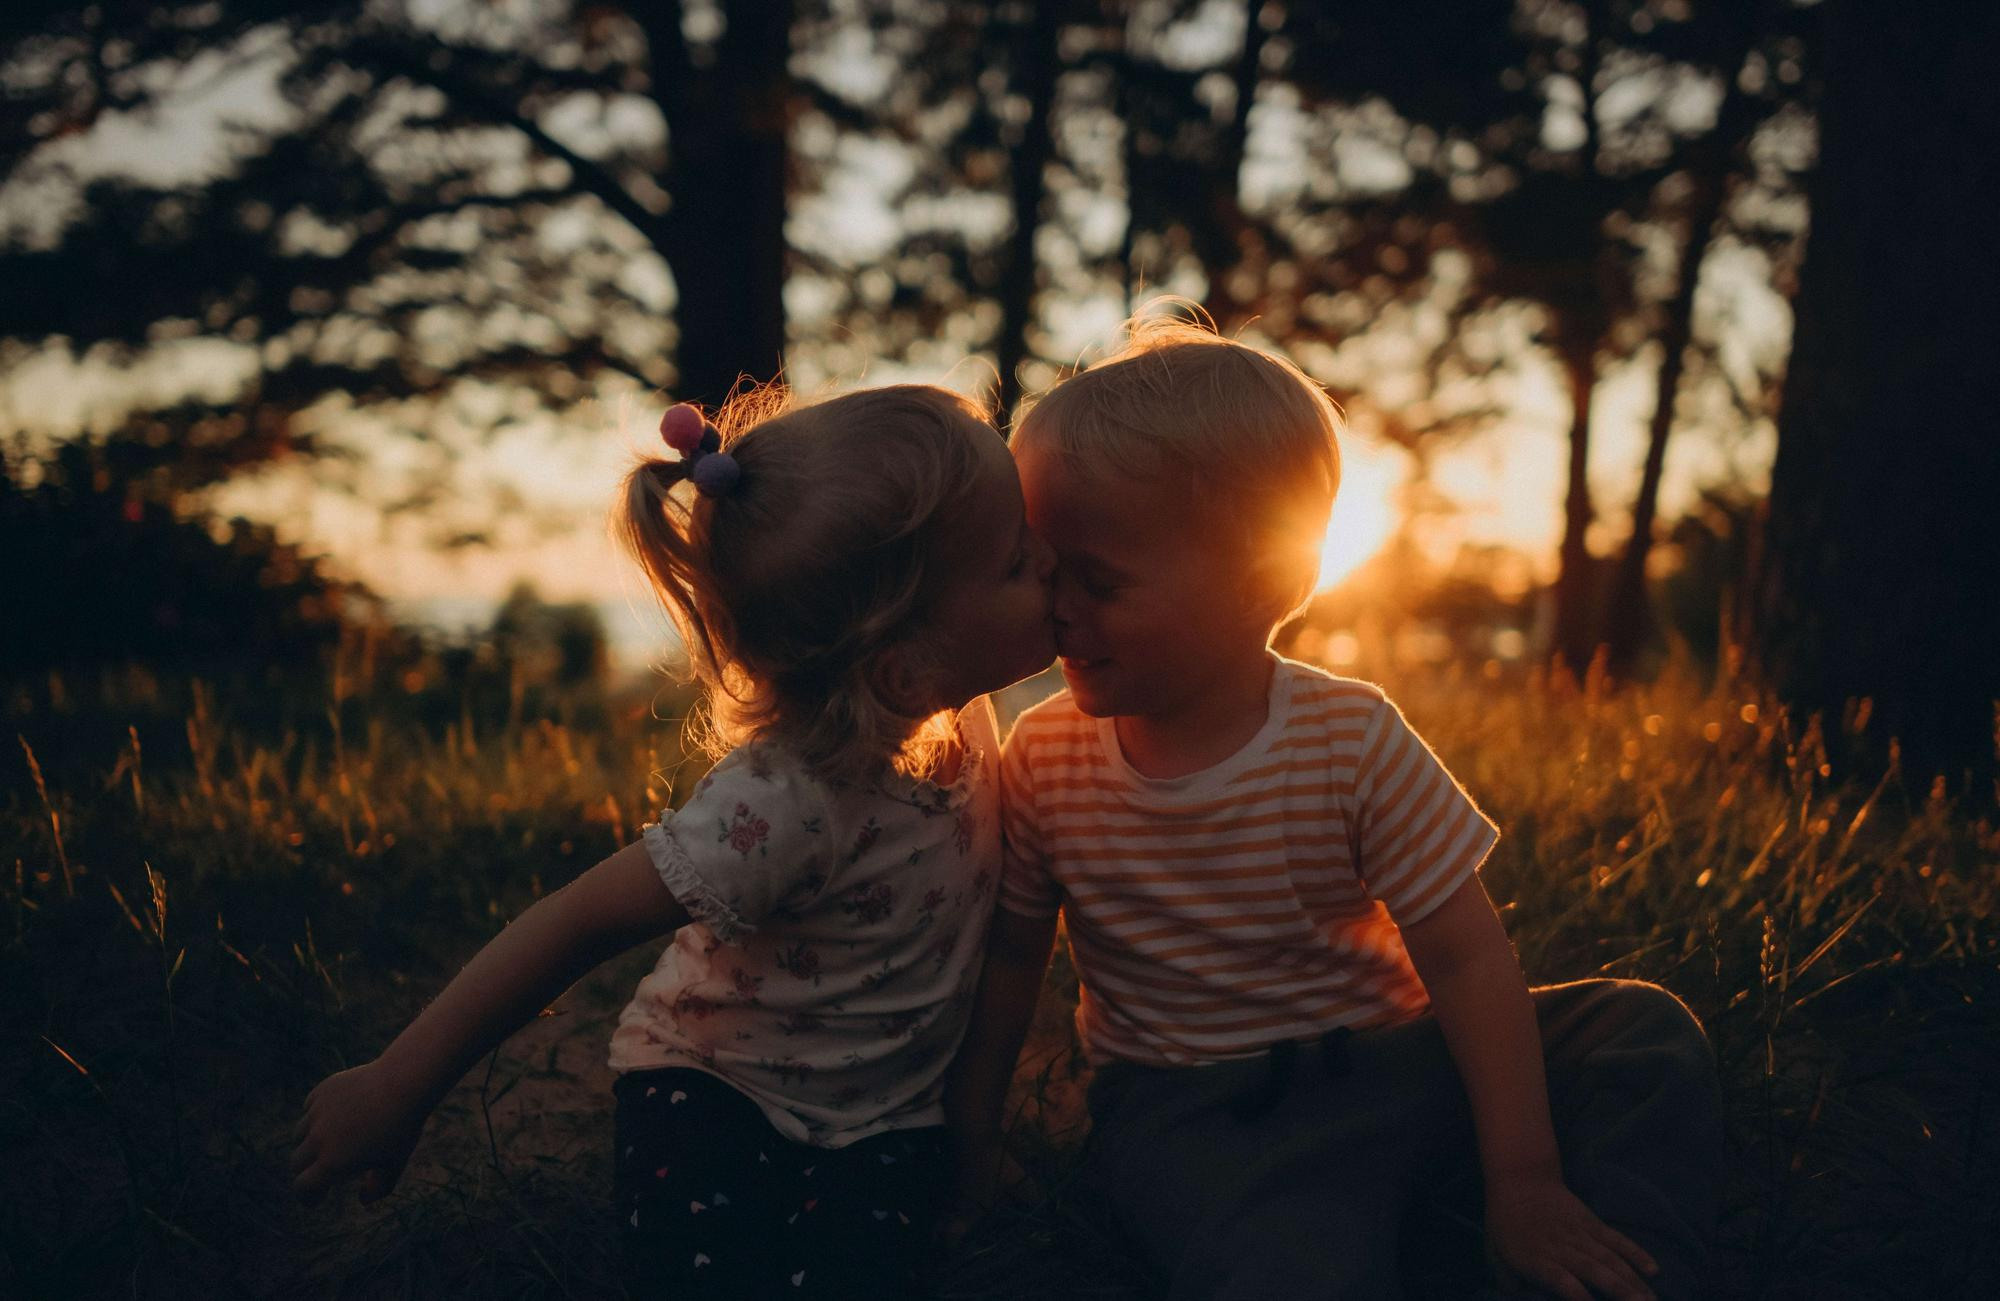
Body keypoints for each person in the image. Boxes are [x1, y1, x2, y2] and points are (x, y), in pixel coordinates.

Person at [945, 314, 1725, 1300]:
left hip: (1395, 1059)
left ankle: (1602, 1264)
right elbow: (1011, 959)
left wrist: (1521, 1175)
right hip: (1194, 1114)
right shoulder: (1043, 756)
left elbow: (1463, 954)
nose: (1054, 607)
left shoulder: (1347, 737)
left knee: (1638, 1034)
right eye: (1042, 569)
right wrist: (969, 1143)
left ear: (1264, 579)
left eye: (1095, 579)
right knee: (1286, 1267)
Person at [292, 383, 1057, 1299]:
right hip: (712, 1093)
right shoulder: (782, 807)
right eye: (1018, 562)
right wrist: (396, 1085)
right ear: (903, 664)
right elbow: (576, 922)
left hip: (885, 1118)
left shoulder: (962, 721)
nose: (1051, 562)